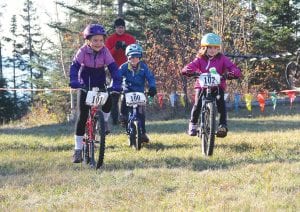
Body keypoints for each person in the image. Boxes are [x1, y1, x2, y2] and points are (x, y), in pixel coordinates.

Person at [69, 23, 121, 163]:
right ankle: (78, 150)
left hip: (100, 82)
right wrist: (74, 80)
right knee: (82, 116)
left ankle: (103, 122)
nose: (98, 43)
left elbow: (113, 68)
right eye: (95, 40)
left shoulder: (105, 51)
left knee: (109, 100)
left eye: (101, 40)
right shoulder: (82, 51)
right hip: (85, 84)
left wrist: (116, 82)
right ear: (88, 41)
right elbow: (74, 67)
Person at [181, 32, 241, 138]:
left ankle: (222, 125)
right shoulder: (200, 59)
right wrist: (189, 71)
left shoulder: (222, 58)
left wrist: (233, 73)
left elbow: (232, 67)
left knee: (221, 104)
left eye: (215, 48)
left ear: (218, 49)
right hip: (202, 86)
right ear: (204, 48)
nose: (213, 50)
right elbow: (189, 66)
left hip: (217, 86)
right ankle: (193, 124)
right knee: (197, 104)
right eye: (210, 48)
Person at [118, 43, 157, 143]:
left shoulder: (144, 67)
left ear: (140, 57)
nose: (134, 59)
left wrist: (152, 87)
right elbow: (117, 77)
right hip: (127, 90)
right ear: (128, 57)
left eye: (137, 56)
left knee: (141, 113)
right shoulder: (123, 67)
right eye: (132, 57)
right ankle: (123, 116)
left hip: (139, 92)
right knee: (123, 100)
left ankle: (143, 133)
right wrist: (115, 86)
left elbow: (150, 78)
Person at [105, 18, 136, 125]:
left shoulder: (130, 38)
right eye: (118, 27)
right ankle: (114, 119)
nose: (120, 29)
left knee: (127, 93)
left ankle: (124, 117)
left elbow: (135, 54)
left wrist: (126, 48)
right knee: (114, 94)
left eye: (122, 27)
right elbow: (107, 55)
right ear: (115, 28)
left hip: (128, 69)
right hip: (114, 69)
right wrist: (116, 48)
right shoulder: (110, 39)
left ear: (124, 28)